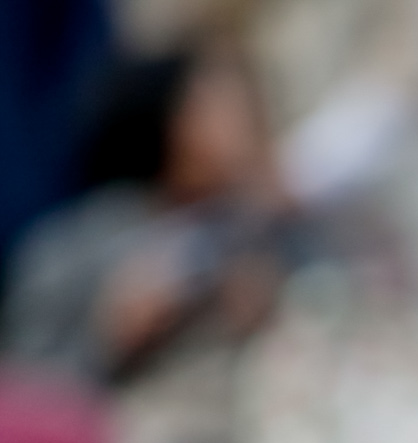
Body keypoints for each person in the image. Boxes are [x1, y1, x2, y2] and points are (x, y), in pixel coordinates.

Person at [3, 48, 301, 407]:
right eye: (218, 108)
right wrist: (109, 336)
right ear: (171, 124)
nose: (245, 123)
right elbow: (23, 403)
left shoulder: (255, 222)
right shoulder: (69, 250)